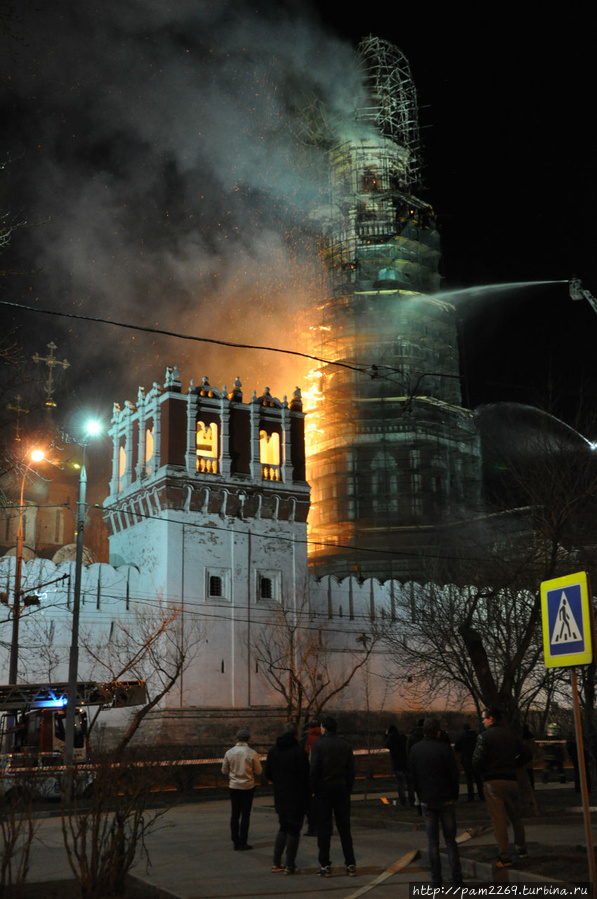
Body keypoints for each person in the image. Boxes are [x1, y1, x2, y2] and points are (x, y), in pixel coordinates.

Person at [409, 717, 463, 888]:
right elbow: (453, 774)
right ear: (438, 731)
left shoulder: (416, 750)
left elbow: (413, 776)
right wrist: (454, 794)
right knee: (451, 841)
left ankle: (436, 880)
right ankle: (457, 878)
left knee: (433, 842)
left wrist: (418, 796)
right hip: (446, 798)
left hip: (427, 799)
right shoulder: (444, 749)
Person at [472, 707, 530, 867]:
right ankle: (521, 848)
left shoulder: (484, 737)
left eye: (484, 718)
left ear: (491, 718)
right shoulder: (512, 734)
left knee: (499, 820)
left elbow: (477, 760)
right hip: (511, 779)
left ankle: (505, 856)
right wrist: (513, 764)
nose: (483, 721)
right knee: (515, 816)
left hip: (493, 781)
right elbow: (527, 754)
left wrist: (483, 772)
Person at [309, 715, 357, 877]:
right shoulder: (345, 745)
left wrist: (314, 789)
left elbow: (314, 769)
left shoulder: (319, 744)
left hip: (324, 789)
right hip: (341, 788)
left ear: (324, 728)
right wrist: (348, 788)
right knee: (344, 828)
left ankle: (325, 864)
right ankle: (350, 862)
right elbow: (351, 770)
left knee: (324, 827)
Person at [264, 722, 310, 874]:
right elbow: (305, 776)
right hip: (296, 796)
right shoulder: (299, 752)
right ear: (296, 734)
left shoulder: (273, 751)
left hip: (280, 795)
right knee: (294, 829)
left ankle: (276, 862)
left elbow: (268, 774)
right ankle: (290, 864)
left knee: (283, 827)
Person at [221, 727, 262, 851]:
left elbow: (224, 770)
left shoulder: (229, 752)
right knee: (245, 815)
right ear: (248, 739)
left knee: (235, 814)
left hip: (234, 786)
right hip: (248, 786)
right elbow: (259, 771)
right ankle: (243, 842)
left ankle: (235, 841)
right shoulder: (252, 753)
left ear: (237, 738)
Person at [300, 718, 322, 835]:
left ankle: (312, 827)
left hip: (309, 774)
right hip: (324, 775)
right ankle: (325, 826)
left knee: (310, 803)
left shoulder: (305, 740)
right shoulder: (324, 739)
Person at [383, 724, 414, 806]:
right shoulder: (403, 738)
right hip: (406, 763)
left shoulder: (391, 740)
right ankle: (412, 800)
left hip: (397, 765)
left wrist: (385, 735)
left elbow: (385, 744)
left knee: (401, 784)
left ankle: (403, 802)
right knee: (410, 784)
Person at [454, 723, 484, 801]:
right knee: (478, 778)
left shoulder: (462, 737)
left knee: (469, 779)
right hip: (475, 758)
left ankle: (471, 796)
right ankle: (481, 795)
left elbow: (457, 747)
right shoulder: (476, 736)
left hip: (466, 759)